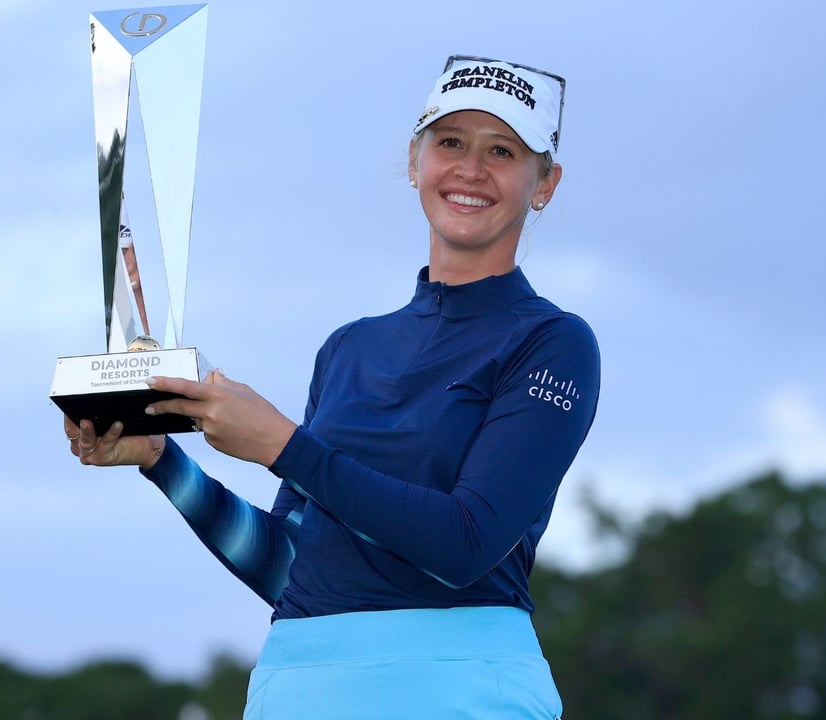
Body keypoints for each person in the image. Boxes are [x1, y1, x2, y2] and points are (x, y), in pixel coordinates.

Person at [64, 55, 600, 719]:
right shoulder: (347, 348)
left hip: (463, 691)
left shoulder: (553, 343)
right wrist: (162, 462)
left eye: (503, 151)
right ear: (414, 161)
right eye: (450, 142)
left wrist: (285, 447)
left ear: (543, 183)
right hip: (299, 688)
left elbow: (464, 546)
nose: (470, 169)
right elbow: (288, 569)